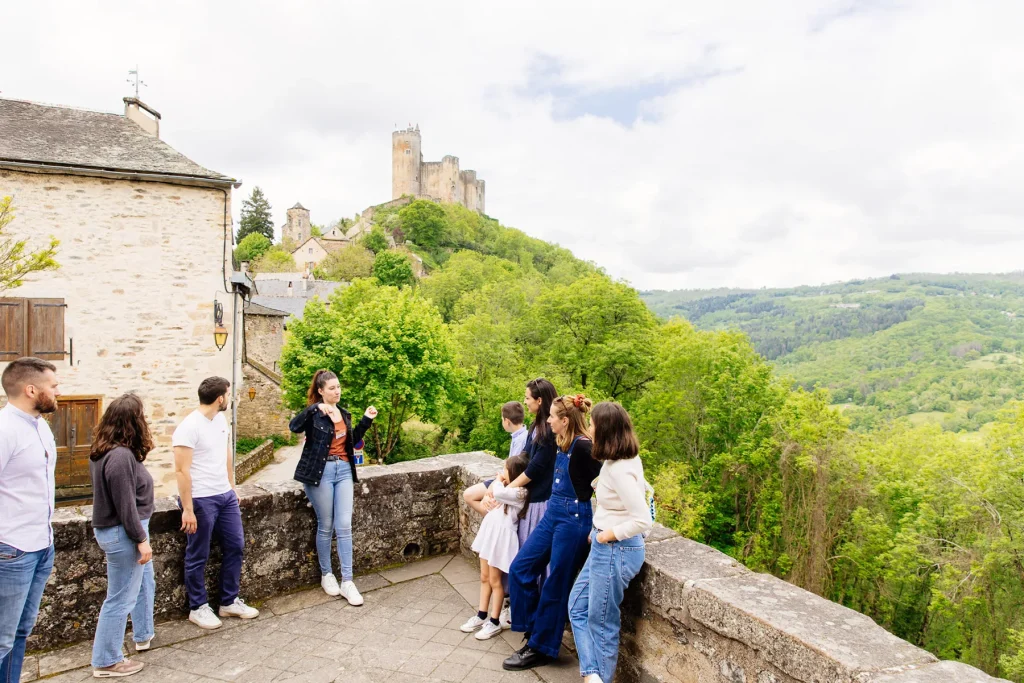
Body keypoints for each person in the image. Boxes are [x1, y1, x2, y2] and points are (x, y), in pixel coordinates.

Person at [504, 394, 603, 671]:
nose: (547, 420)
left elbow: (607, 479)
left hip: (574, 520)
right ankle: (534, 629)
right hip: (553, 515)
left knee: (556, 585)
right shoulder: (562, 442)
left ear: (564, 420)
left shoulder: (584, 446)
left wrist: (603, 523)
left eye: (551, 416)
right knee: (520, 568)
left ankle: (541, 647)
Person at [568, 402, 653, 683]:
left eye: (592, 424)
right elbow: (621, 502)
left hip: (616, 549)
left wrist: (607, 534)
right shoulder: (618, 460)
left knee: (602, 623)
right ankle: (592, 674)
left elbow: (642, 519)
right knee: (577, 606)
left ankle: (598, 677)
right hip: (605, 545)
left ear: (605, 431)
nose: (589, 428)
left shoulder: (619, 469)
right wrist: (598, 528)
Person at [173, 376, 259, 629]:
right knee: (198, 554)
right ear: (220, 398)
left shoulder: (220, 420)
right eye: (228, 395)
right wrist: (188, 509)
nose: (230, 399)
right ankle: (197, 607)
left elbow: (226, 454)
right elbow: (181, 470)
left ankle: (228, 601)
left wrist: (231, 487)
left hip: (224, 496)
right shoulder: (189, 427)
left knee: (236, 546)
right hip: (200, 499)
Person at [289, 369, 377, 605]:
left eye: (338, 387)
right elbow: (293, 426)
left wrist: (366, 420)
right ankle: (327, 575)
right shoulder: (314, 414)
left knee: (344, 525)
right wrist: (313, 408)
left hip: (344, 470)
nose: (337, 391)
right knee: (326, 525)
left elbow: (351, 439)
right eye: (331, 388)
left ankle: (348, 581)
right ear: (320, 391)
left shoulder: (344, 413)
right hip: (321, 473)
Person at [89, 393, 157, 678]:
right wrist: (141, 540)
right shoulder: (119, 456)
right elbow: (125, 505)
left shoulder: (106, 451)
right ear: (133, 422)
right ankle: (107, 661)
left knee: (143, 584)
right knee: (119, 599)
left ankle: (143, 634)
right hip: (124, 533)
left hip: (124, 530)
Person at [0, 358, 59, 683]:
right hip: (12, 549)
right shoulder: (5, 430)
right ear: (31, 389)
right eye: (53, 385)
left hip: (41, 545)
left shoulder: (41, 427)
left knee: (21, 631)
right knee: (1, 639)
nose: (58, 391)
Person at [461, 453, 530, 641]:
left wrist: (498, 480)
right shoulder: (508, 487)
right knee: (484, 577)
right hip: (490, 535)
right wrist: (500, 481)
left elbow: (497, 492)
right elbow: (494, 492)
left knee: (495, 581)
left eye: (505, 469)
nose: (502, 472)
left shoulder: (519, 492)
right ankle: (481, 615)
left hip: (501, 540)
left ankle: (494, 621)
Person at [463, 401, 528, 516]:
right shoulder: (519, 435)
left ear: (507, 421)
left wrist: (494, 485)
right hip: (504, 478)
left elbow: (514, 472)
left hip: (508, 482)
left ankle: (492, 517)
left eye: (502, 419)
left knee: (475, 498)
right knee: (468, 495)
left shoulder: (522, 440)